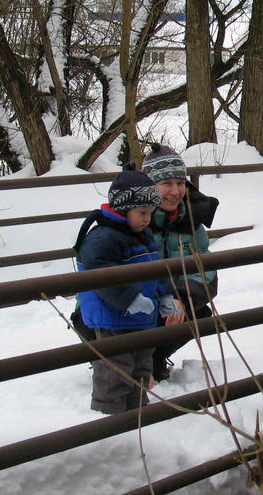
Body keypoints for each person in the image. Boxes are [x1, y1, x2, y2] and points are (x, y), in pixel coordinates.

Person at [73, 164, 179, 414]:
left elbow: (153, 267)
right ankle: (112, 419)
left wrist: (164, 293)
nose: (147, 219)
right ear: (123, 208)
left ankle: (137, 415)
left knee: (141, 368)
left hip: (141, 320)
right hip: (113, 321)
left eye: (151, 213)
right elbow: (99, 273)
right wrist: (129, 299)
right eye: (142, 212)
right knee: (115, 371)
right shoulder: (103, 238)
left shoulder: (141, 233)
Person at [142, 143, 219, 382]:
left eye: (181, 183)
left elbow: (205, 269)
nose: (175, 192)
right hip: (133, 305)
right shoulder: (134, 220)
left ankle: (154, 357)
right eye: (166, 184)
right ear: (149, 186)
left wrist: (183, 298)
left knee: (201, 314)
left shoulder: (191, 221)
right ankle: (131, 361)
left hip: (169, 303)